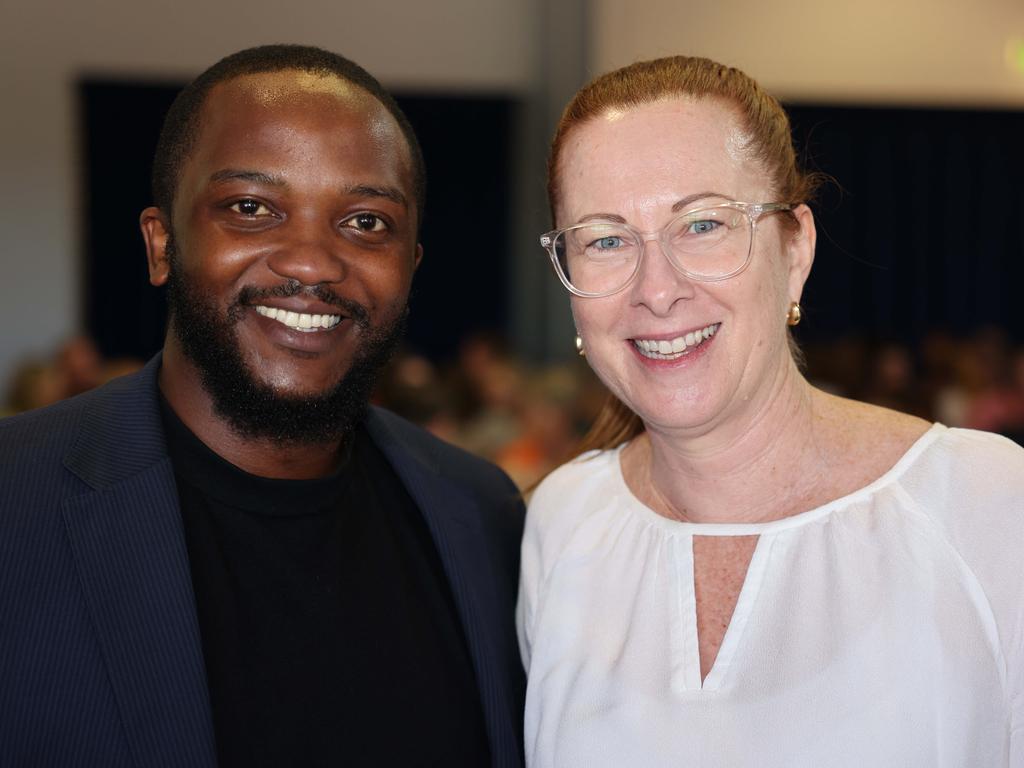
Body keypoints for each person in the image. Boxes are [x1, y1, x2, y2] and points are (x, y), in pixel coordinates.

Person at [0, 45, 525, 768]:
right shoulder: (15, 501)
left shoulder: (482, 513)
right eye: (251, 209)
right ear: (162, 245)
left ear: (411, 267)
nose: (311, 261)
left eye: (367, 222)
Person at [517, 56, 1024, 767]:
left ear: (796, 249)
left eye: (702, 225)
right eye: (605, 240)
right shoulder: (563, 524)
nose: (656, 290)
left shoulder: (985, 505)